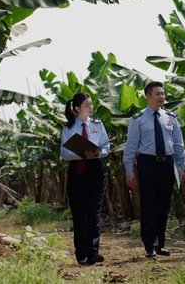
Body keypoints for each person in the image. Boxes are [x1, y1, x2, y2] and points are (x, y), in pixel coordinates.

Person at [123, 81, 185, 258]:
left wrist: (182, 166)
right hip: (147, 163)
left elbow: (178, 144)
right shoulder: (138, 119)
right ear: (148, 96)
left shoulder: (170, 117)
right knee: (149, 205)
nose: (161, 97)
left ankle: (161, 243)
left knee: (163, 205)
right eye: (157, 94)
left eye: (163, 93)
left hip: (167, 163)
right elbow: (130, 147)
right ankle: (149, 245)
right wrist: (129, 171)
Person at [61, 92, 111, 266]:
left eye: (91, 104)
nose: (91, 107)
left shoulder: (97, 125)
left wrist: (99, 152)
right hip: (77, 170)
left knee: (94, 212)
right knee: (79, 214)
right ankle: (81, 253)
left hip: (95, 170)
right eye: (87, 105)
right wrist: (80, 153)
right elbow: (64, 154)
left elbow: (106, 145)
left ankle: (93, 252)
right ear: (77, 108)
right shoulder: (68, 127)